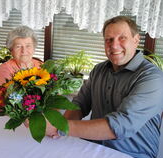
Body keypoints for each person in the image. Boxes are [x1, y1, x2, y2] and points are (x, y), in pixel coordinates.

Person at [45, 16, 163, 158]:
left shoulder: (152, 77)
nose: (114, 45)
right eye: (109, 39)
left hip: (132, 154)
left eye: (122, 38)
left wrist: (61, 127)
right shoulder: (99, 69)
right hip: (91, 147)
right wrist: (58, 129)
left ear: (136, 40)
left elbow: (121, 125)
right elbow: (79, 105)